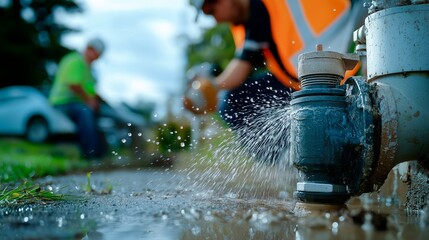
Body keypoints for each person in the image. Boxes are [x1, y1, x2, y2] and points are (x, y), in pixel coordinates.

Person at [186, 0, 367, 162]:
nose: (216, 20)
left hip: (338, 65)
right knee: (233, 102)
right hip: (301, 82)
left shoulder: (258, 8)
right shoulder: (246, 23)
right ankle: (287, 160)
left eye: (211, 11)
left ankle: (299, 159)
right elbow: (245, 66)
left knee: (229, 102)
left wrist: (212, 87)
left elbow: (240, 70)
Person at [49, 38, 106, 160]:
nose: (97, 59)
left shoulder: (88, 68)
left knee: (100, 116)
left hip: (76, 103)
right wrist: (89, 100)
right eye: (97, 55)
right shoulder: (76, 61)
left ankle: (101, 153)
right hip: (62, 103)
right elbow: (73, 84)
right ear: (90, 49)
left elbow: (90, 89)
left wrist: (98, 100)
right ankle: (90, 155)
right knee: (85, 112)